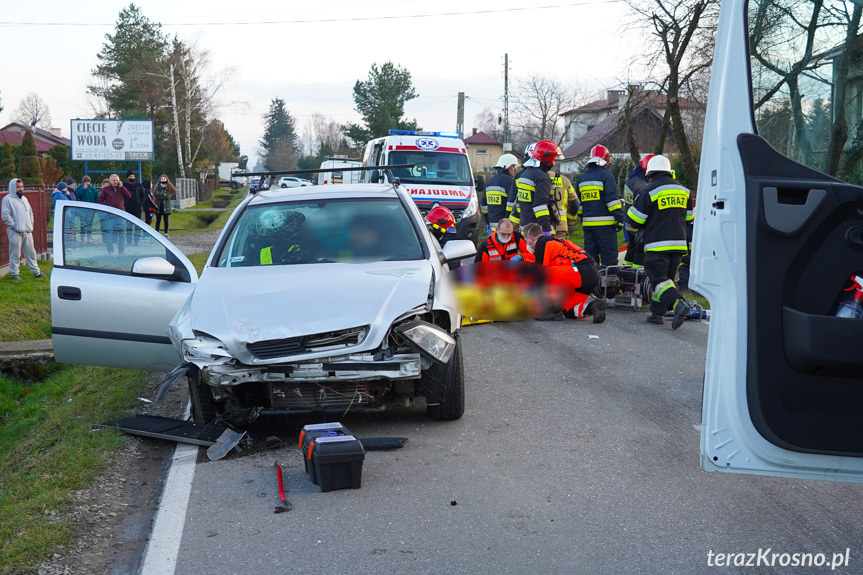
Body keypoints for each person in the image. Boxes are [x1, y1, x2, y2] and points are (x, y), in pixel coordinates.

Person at [625, 155, 694, 329]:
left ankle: (678, 304)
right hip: (679, 244)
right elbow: (689, 217)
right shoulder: (684, 191)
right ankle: (657, 313)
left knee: (657, 278)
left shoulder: (649, 191)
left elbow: (635, 220)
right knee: (667, 279)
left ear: (650, 174)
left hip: (657, 244)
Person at [522, 222, 604, 323]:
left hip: (580, 271)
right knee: (568, 311)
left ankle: (552, 312)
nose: (526, 244)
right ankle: (593, 307)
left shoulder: (542, 243)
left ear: (530, 237)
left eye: (525, 240)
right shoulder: (553, 241)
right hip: (590, 275)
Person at [577, 144, 623, 267]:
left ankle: (592, 285)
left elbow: (579, 205)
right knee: (609, 259)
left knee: (591, 260)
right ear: (605, 158)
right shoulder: (606, 176)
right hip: (606, 228)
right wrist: (620, 219)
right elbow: (612, 202)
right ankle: (610, 285)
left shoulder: (582, 178)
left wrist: (583, 219)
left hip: (588, 228)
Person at [515, 140, 562, 236]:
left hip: (525, 226)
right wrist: (546, 229)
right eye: (552, 159)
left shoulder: (525, 174)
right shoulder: (542, 177)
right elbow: (540, 206)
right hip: (538, 230)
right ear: (547, 159)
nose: (553, 163)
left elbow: (519, 204)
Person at [2, 179, 43, 280]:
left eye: (21, 187)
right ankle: (14, 274)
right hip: (15, 232)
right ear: (12, 187)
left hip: (28, 231)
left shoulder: (24, 199)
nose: (20, 189)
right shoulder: (7, 200)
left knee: (31, 253)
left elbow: (30, 212)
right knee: (15, 254)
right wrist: (15, 226)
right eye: (18, 187)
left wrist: (31, 224)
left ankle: (36, 273)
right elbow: (5, 215)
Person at [622, 154, 654, 267]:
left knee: (631, 250)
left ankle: (626, 271)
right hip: (638, 224)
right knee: (639, 252)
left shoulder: (632, 178)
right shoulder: (641, 185)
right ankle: (636, 276)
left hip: (629, 222)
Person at [484, 153, 519, 232]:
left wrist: (487, 221)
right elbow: (513, 203)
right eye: (513, 166)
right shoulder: (509, 181)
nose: (515, 169)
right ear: (506, 166)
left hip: (491, 227)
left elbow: (484, 206)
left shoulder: (489, 181)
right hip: (505, 228)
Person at [98, 174, 132, 255]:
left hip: (119, 215)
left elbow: (129, 196)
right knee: (109, 233)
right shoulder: (105, 189)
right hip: (109, 215)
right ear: (110, 181)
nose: (115, 182)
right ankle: (110, 251)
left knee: (121, 233)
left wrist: (122, 187)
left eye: (117, 180)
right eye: (113, 180)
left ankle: (121, 250)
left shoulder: (121, 189)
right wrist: (106, 208)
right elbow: (100, 200)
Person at [549, 168, 580, 240]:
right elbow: (575, 203)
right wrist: (570, 220)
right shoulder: (564, 180)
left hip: (542, 226)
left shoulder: (536, 177)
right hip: (561, 225)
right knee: (560, 249)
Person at [75, 175, 99, 240]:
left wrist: (95, 207)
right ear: (83, 182)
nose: (87, 183)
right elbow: (77, 195)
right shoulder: (79, 187)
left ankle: (89, 237)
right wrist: (83, 189)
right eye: (86, 181)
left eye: (88, 181)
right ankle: (82, 237)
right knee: (82, 223)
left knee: (90, 223)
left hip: (91, 209)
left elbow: (96, 197)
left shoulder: (92, 188)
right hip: (82, 209)